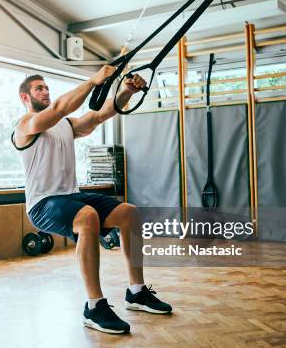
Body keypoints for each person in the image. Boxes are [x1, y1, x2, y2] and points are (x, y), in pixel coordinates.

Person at [11, 66, 172, 334]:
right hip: (42, 204)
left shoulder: (65, 125)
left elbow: (100, 115)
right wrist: (94, 80)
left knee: (129, 214)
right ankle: (95, 307)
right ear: (25, 97)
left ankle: (136, 291)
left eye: (47, 87)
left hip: (70, 196)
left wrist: (125, 92)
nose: (46, 91)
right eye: (39, 88)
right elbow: (61, 108)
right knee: (87, 217)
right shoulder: (26, 126)